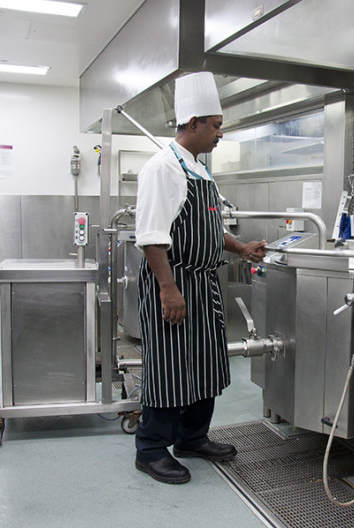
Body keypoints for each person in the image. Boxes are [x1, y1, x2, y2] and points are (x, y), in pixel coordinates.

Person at [134, 71, 267, 484]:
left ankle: (192, 437)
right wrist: (168, 288)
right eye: (215, 125)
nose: (219, 134)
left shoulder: (197, 169)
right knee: (170, 364)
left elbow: (207, 228)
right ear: (193, 124)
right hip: (174, 280)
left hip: (204, 282)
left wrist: (239, 248)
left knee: (207, 362)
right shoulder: (163, 168)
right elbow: (153, 236)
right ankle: (151, 448)